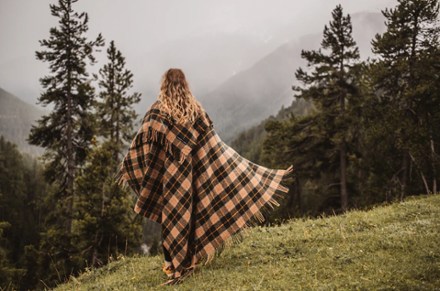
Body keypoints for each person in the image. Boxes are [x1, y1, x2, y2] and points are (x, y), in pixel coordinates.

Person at [116, 68, 294, 286]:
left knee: (172, 216)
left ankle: (172, 264)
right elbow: (211, 142)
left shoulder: (158, 111)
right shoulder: (195, 110)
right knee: (192, 214)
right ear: (185, 84)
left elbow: (142, 139)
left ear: (164, 85)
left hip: (171, 179)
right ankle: (187, 260)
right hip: (194, 175)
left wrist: (133, 163)